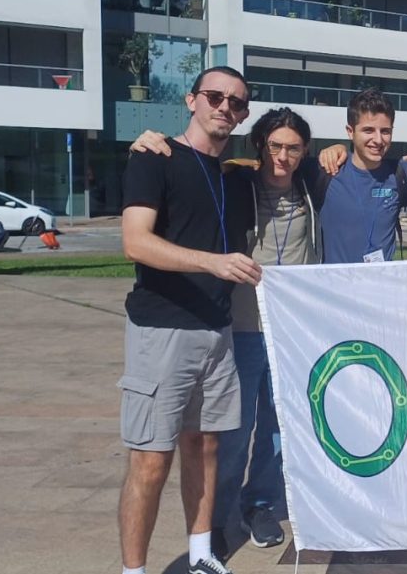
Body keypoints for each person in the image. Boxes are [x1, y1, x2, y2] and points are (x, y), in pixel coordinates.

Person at [129, 108, 322, 558]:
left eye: (293, 148)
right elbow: (189, 165)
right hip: (242, 327)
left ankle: (261, 505)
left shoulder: (313, 186)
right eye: (275, 146)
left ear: (304, 152)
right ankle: (217, 519)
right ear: (259, 147)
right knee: (232, 430)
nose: (283, 156)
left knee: (279, 429)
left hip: (292, 333)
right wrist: (145, 142)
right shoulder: (233, 183)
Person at [117, 66, 259, 574]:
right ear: (191, 100)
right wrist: (211, 263)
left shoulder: (233, 176)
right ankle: (134, 571)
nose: (225, 107)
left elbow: (287, 160)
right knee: (151, 459)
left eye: (236, 102)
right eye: (215, 96)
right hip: (162, 330)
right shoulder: (153, 158)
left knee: (205, 447)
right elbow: (135, 242)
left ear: (243, 115)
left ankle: (201, 556)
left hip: (217, 332)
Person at [312, 88, 407, 263]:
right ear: (350, 131)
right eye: (368, 130)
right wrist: (336, 147)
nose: (378, 140)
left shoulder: (402, 172)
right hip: (333, 280)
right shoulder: (326, 170)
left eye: (385, 131)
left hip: (381, 280)